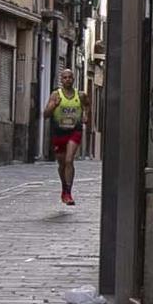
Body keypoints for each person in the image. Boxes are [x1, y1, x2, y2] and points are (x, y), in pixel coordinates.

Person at [44, 66, 84, 205]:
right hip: (59, 132)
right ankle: (64, 188)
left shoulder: (81, 95)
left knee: (69, 160)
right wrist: (54, 106)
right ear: (61, 80)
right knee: (61, 164)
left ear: (74, 79)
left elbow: (88, 106)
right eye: (65, 77)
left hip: (75, 131)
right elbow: (45, 115)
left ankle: (68, 192)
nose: (67, 79)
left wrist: (85, 116)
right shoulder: (56, 95)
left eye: (70, 77)